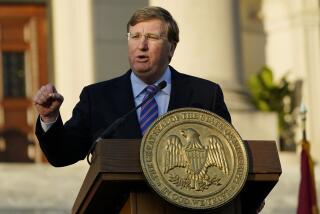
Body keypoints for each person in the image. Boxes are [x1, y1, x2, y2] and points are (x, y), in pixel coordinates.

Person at [33, 6, 231, 167]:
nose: (141, 45)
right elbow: (62, 155)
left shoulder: (205, 95)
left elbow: (230, 157)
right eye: (134, 37)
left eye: (152, 37)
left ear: (171, 47)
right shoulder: (98, 97)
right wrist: (49, 118)